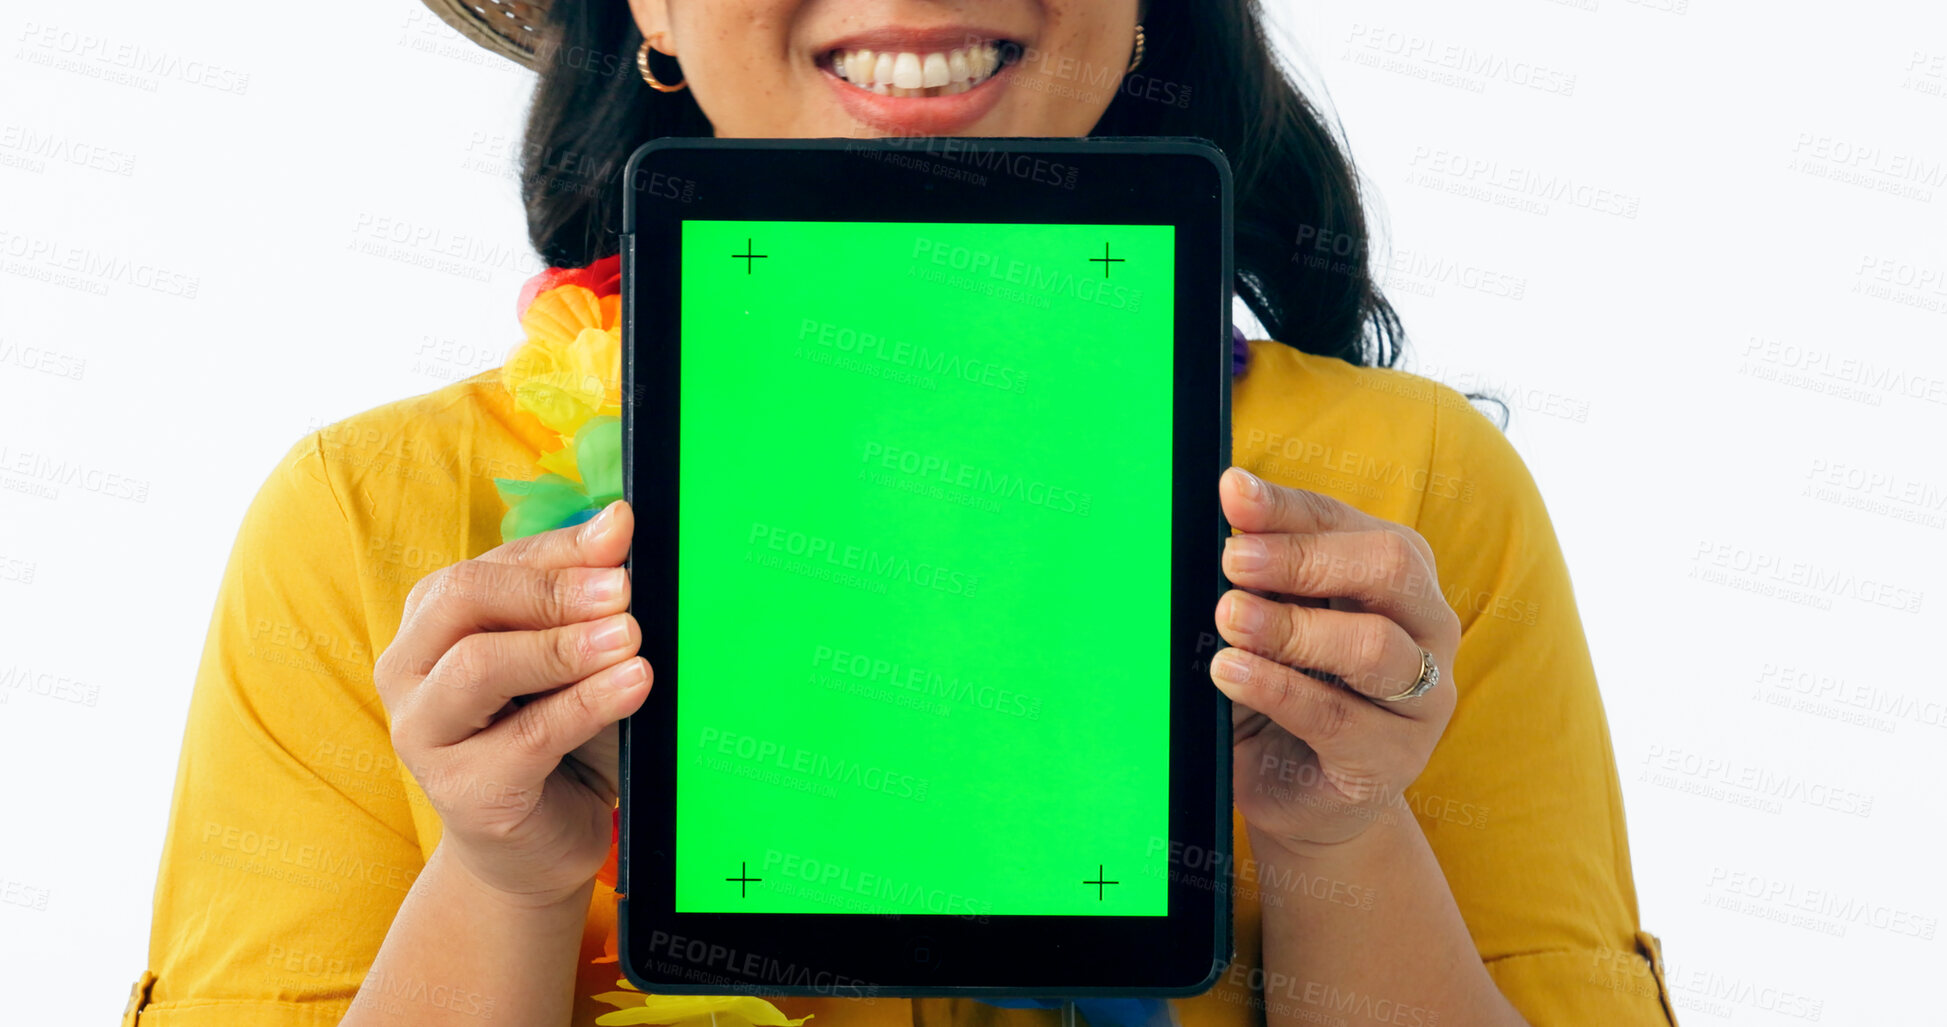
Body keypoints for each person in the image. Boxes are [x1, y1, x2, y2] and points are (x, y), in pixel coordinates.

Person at [123, 1, 1677, 1025]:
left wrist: (1342, 838)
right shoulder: (366, 524)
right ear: (652, 5)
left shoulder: (1400, 511)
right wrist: (500, 877)